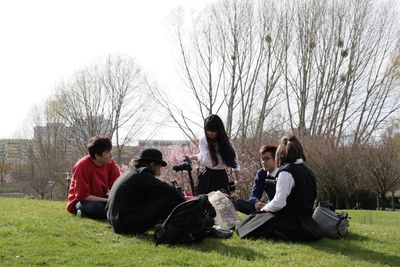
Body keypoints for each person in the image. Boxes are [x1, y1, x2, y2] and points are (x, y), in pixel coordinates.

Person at [237, 134, 323, 242]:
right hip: (308, 222)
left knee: (244, 226)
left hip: (290, 221)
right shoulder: (309, 171)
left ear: (280, 154)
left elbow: (279, 203)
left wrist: (263, 209)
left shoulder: (286, 172)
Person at [106, 148, 185, 234]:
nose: (160, 169)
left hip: (116, 222)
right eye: (159, 166)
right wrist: (185, 202)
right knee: (167, 201)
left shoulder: (133, 172)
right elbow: (166, 189)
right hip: (125, 225)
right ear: (152, 164)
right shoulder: (143, 174)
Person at [67, 136, 120, 219]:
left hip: (101, 198)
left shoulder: (110, 163)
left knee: (122, 204)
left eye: (110, 151)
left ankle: (88, 214)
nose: (111, 155)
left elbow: (118, 186)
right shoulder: (82, 165)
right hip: (81, 201)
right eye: (107, 152)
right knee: (96, 208)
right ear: (97, 156)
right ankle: (81, 211)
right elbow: (82, 196)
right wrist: (109, 201)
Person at [189, 114, 241, 195]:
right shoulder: (203, 140)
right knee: (203, 203)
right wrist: (191, 157)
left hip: (221, 177)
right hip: (207, 176)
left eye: (213, 130)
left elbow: (234, 161)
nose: (209, 133)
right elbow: (202, 155)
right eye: (207, 130)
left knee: (220, 205)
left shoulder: (227, 143)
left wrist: (237, 180)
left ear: (219, 130)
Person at [235, 144, 278, 215]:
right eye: (262, 159)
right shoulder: (262, 173)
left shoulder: (283, 173)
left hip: (279, 209)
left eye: (267, 159)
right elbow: (254, 195)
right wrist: (256, 202)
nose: (263, 162)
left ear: (276, 159)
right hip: (265, 208)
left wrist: (267, 206)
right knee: (239, 204)